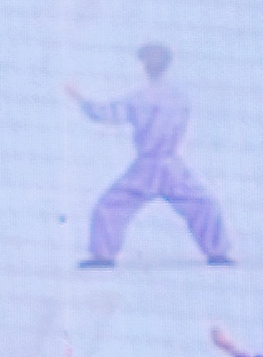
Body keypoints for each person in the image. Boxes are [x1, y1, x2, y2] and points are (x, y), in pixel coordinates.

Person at [70, 48, 229, 271]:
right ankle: (217, 252)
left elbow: (106, 113)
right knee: (203, 205)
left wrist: (80, 100)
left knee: (109, 206)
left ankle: (103, 255)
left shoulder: (141, 97)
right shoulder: (178, 97)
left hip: (148, 166)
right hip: (170, 165)